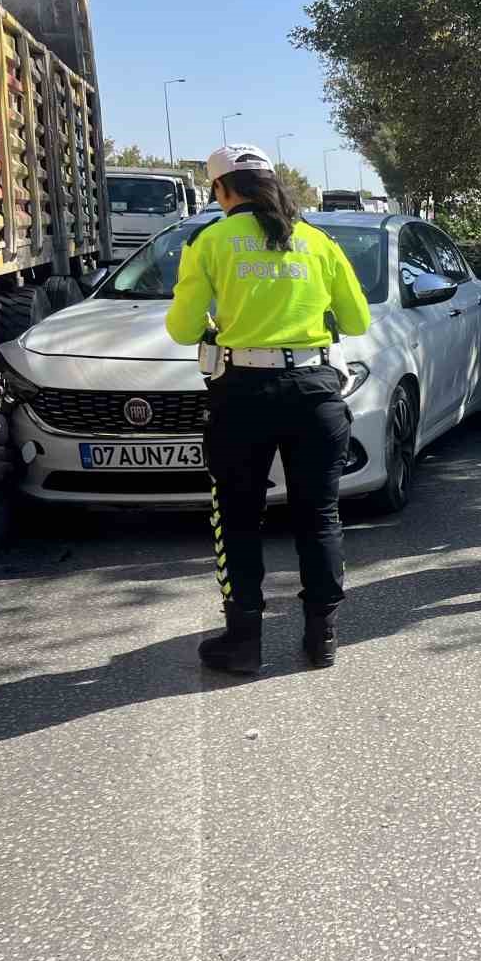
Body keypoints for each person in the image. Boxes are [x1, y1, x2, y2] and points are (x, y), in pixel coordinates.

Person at [165, 144, 371, 673]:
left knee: (236, 516)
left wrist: (217, 325)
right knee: (319, 515)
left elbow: (183, 329)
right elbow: (357, 321)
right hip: (315, 390)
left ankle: (244, 641)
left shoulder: (209, 240)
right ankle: (322, 638)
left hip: (243, 394)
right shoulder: (318, 241)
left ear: (221, 189)